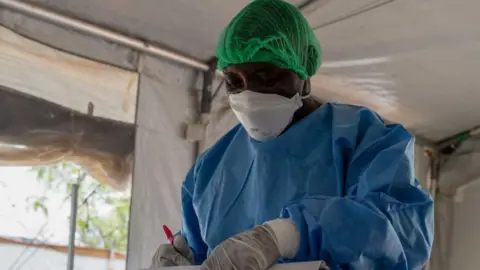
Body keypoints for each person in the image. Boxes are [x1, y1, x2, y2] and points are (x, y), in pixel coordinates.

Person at [151, 0, 433, 269]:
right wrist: (180, 258)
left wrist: (286, 235)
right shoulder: (210, 169)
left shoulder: (362, 140)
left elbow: (402, 232)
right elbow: (202, 252)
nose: (250, 94)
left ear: (304, 71)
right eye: (234, 82)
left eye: (267, 76)